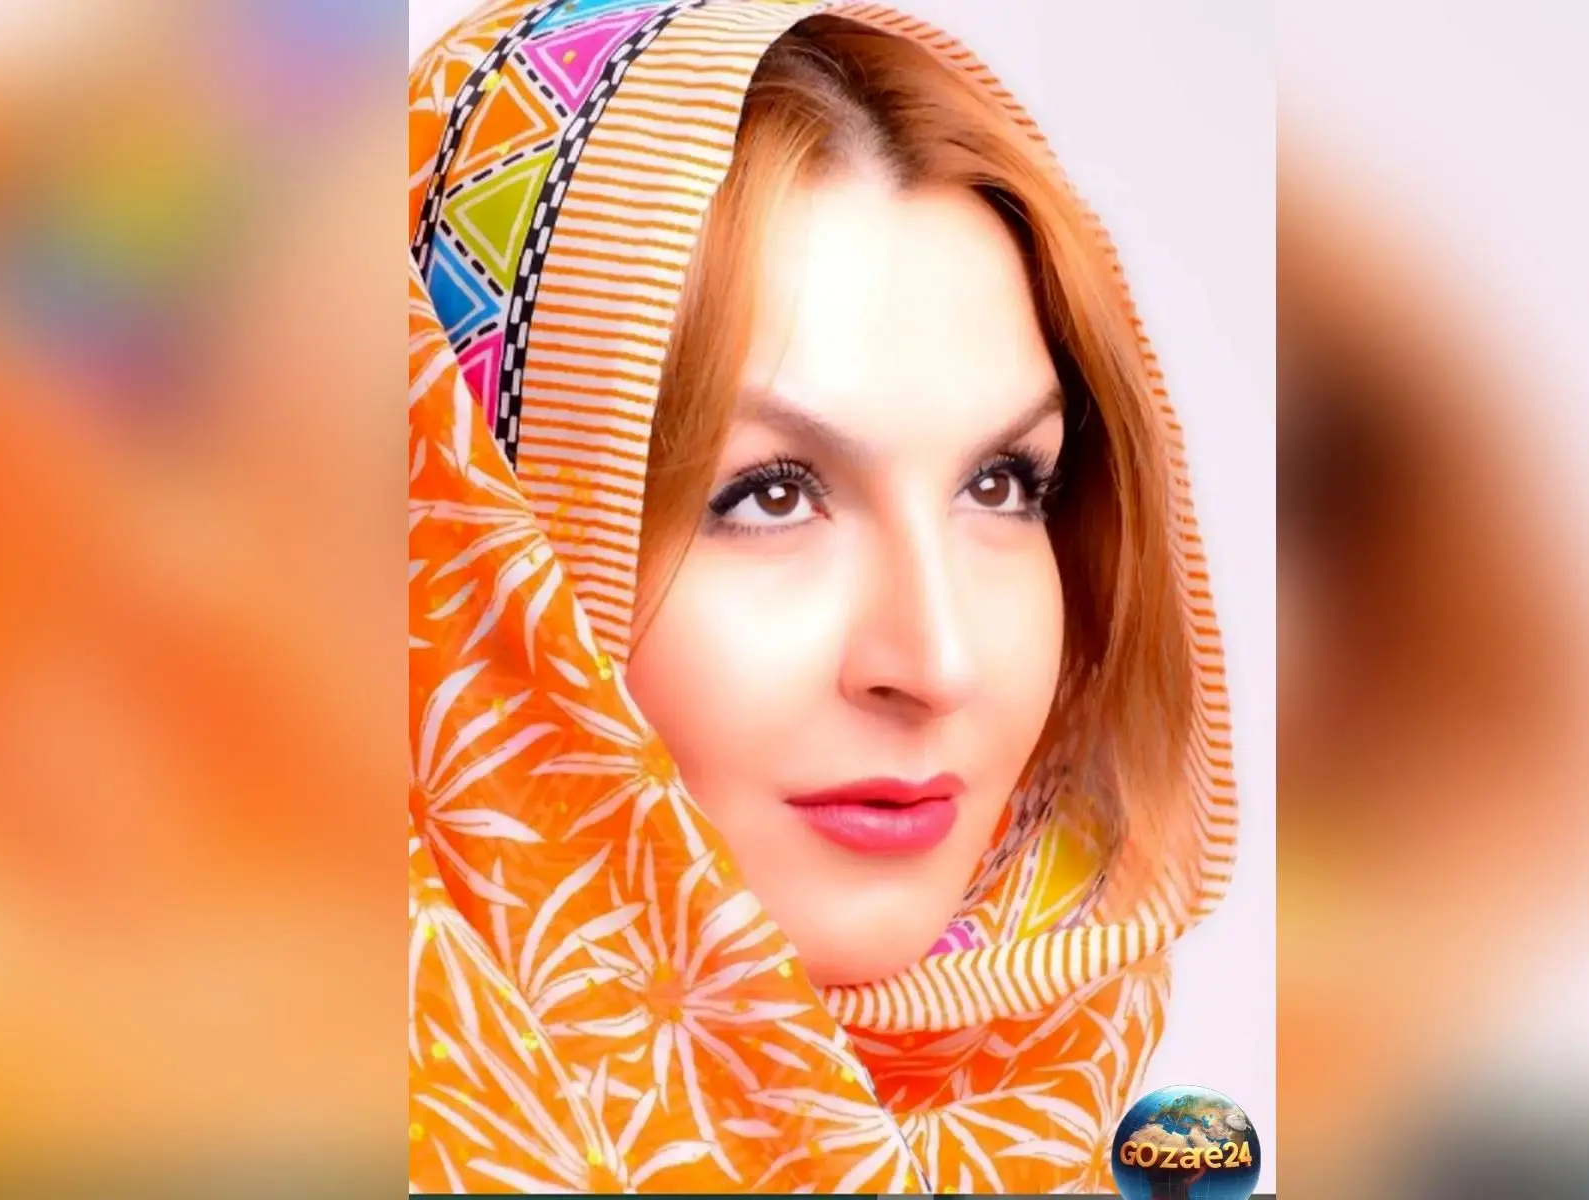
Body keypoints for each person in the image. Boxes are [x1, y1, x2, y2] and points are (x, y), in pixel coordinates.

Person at [409, 1, 1234, 1191]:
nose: (936, 661)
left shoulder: (1096, 1119)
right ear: (473, 550)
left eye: (1002, 484)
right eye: (770, 494)